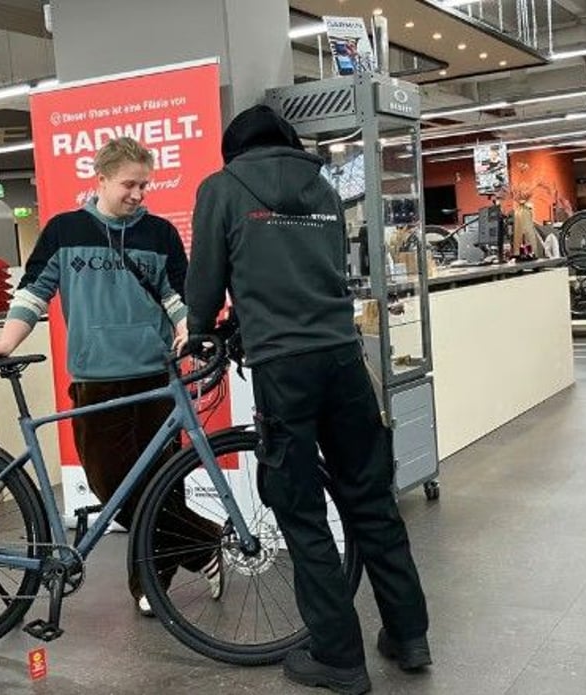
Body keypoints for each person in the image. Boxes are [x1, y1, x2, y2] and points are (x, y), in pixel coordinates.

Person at [184, 105, 430, 694]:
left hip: (283, 366)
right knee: (372, 499)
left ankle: (338, 657)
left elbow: (207, 279)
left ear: (233, 150)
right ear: (288, 142)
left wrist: (201, 329)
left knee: (301, 512)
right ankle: (408, 634)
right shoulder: (322, 186)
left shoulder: (221, 187)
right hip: (345, 359)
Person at [0, 136, 223, 616]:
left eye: (144, 185)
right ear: (101, 179)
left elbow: (177, 297)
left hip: (155, 378)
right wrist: (7, 341)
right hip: (95, 378)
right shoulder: (64, 230)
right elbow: (34, 292)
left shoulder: (160, 234)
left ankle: (152, 581)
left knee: (160, 485)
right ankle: (205, 544)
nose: (138, 194)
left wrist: (188, 327)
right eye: (129, 184)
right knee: (112, 488)